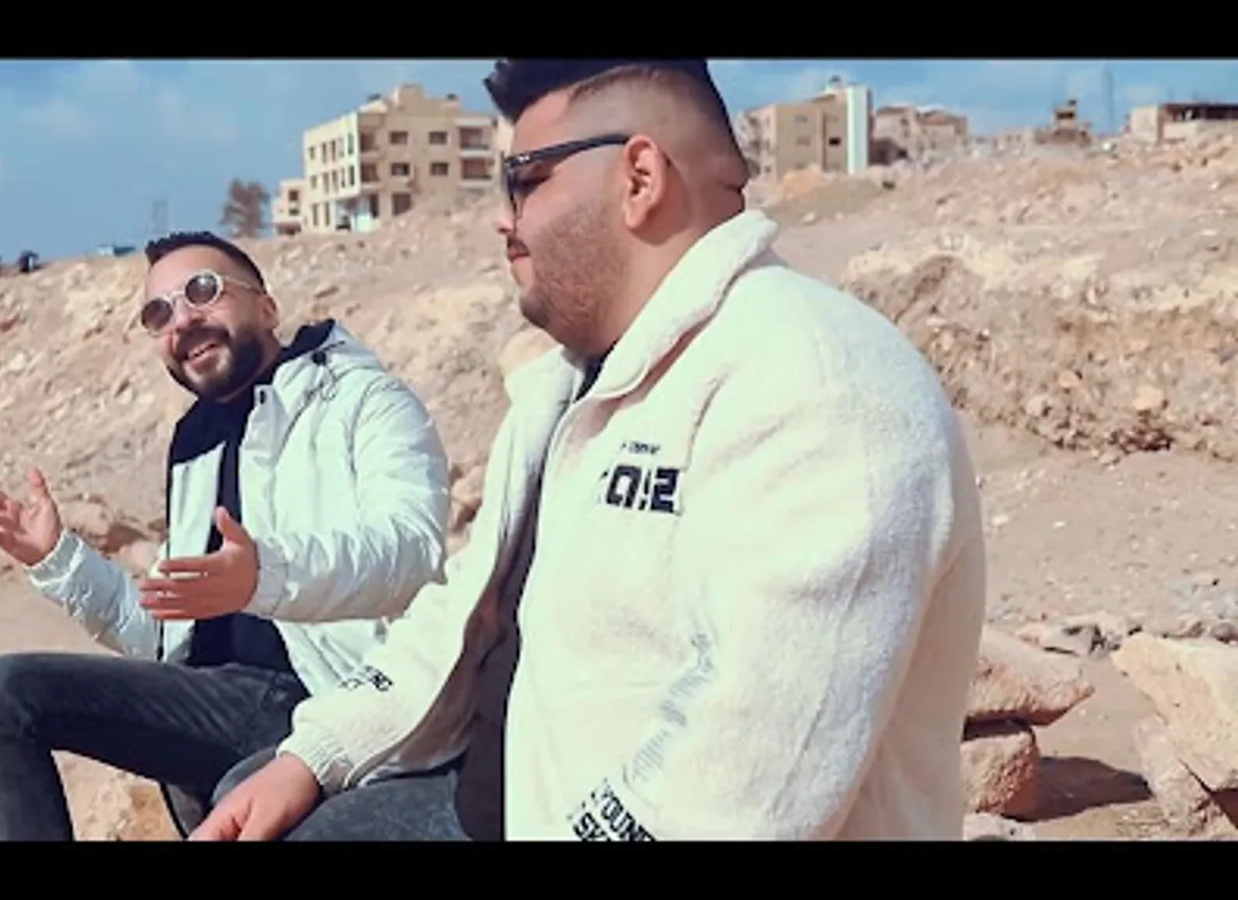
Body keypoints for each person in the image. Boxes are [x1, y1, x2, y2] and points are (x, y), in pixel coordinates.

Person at [190, 58, 988, 842]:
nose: (503, 220)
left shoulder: (818, 388)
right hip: (501, 800)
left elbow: (735, 800)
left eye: (524, 181)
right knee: (252, 791)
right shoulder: (565, 388)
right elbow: (463, 610)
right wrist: (315, 754)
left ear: (640, 178)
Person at [0, 229, 452, 840]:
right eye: (158, 313)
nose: (183, 321)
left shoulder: (363, 400)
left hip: (338, 693)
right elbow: (167, 632)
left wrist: (267, 575)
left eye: (203, 291)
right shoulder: (196, 441)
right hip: (222, 702)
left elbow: (412, 549)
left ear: (267, 307)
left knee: (238, 792)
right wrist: (58, 559)